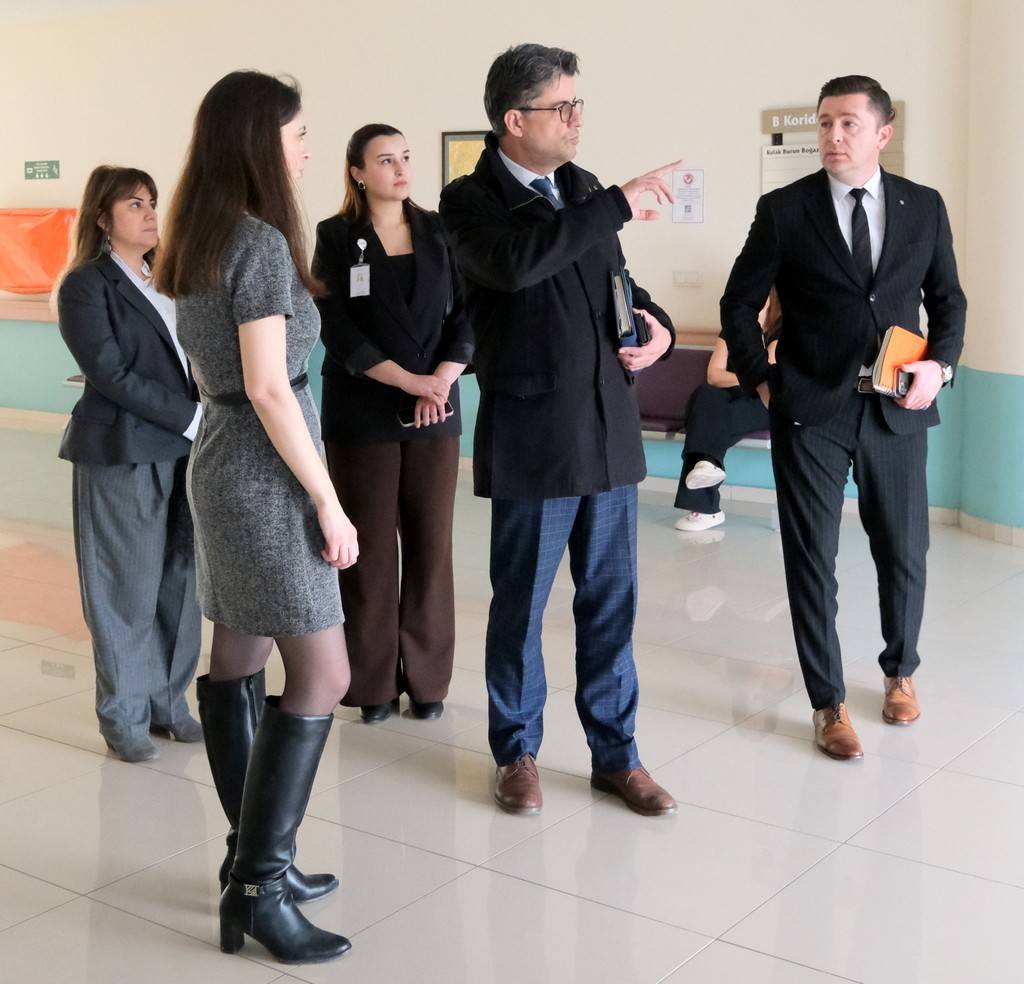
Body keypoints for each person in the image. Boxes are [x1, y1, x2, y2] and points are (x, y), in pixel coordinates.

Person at [440, 43, 679, 817]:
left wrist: (659, 328)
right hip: (534, 438)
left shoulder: (581, 188)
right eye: (562, 107)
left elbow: (618, 283)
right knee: (521, 608)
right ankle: (516, 752)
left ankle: (617, 756)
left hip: (608, 433)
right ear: (514, 120)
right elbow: (516, 265)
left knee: (610, 605)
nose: (577, 120)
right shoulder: (468, 202)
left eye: (579, 105)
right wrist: (615, 204)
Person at [154, 71, 355, 962]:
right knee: (324, 672)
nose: (307, 148)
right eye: (298, 133)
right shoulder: (260, 243)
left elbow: (229, 380)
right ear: (260, 142)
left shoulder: (197, 236)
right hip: (268, 475)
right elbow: (273, 388)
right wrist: (327, 498)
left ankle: (249, 861)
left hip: (222, 460)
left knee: (237, 655)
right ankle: (260, 888)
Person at [720, 75, 966, 759]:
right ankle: (827, 701)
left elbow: (948, 299)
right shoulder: (784, 209)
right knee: (811, 558)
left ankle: (900, 672)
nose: (833, 135)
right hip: (810, 411)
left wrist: (940, 366)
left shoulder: (923, 206)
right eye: (825, 122)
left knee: (904, 550)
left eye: (849, 123)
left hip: (897, 407)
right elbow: (738, 303)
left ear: (882, 133)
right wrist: (761, 378)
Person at [313, 124, 473, 725]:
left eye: (405, 157)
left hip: (437, 407)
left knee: (431, 549)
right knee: (370, 552)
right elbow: (336, 326)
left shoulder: (439, 230)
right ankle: (373, 684)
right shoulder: (335, 236)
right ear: (357, 172)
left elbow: (468, 313)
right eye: (385, 160)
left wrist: (441, 380)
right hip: (365, 411)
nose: (401, 169)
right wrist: (409, 382)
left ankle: (428, 682)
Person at [56, 165, 202, 764]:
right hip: (123, 451)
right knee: (125, 589)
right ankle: (124, 716)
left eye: (151, 202)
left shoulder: (169, 278)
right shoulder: (85, 286)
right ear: (102, 218)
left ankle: (169, 703)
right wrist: (191, 416)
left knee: (181, 584)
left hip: (186, 452)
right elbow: (110, 374)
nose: (150, 214)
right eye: (134, 204)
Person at [673, 289, 781, 532]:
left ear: (770, 300)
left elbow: (769, 379)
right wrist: (750, 379)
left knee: (705, 421)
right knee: (705, 394)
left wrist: (738, 379)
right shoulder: (731, 330)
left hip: (763, 404)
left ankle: (705, 507)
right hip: (728, 399)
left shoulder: (779, 331)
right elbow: (713, 376)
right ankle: (707, 464)